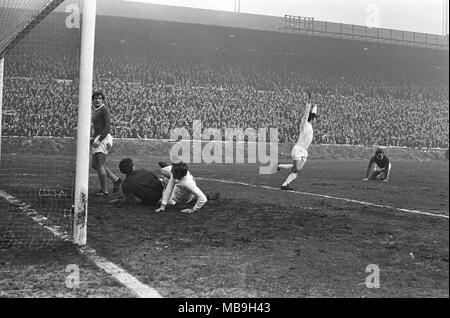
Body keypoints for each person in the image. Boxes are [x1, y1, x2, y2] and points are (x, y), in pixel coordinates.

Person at [277, 90, 318, 190]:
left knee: (297, 169)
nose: (316, 120)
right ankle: (285, 184)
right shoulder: (305, 124)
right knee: (296, 169)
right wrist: (309, 101)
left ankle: (280, 166)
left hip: (304, 151)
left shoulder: (311, 127)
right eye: (315, 118)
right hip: (298, 149)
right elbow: (306, 113)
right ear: (312, 118)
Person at [155, 161, 219, 213]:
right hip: (178, 187)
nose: (172, 174)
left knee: (169, 202)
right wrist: (163, 206)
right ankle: (165, 169)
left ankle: (206, 195)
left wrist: (193, 209)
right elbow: (170, 187)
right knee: (163, 171)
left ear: (180, 175)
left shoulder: (187, 184)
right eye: (172, 171)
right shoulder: (175, 172)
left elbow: (203, 199)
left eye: (174, 173)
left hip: (182, 197)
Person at [91, 91, 121, 196]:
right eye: (95, 98)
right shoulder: (96, 110)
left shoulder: (104, 109)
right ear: (93, 100)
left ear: (102, 99)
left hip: (104, 137)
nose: (97, 100)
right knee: (95, 165)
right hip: (99, 137)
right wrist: (93, 138)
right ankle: (115, 179)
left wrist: (100, 139)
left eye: (99, 98)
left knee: (100, 164)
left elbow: (107, 126)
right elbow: (97, 127)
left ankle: (105, 191)